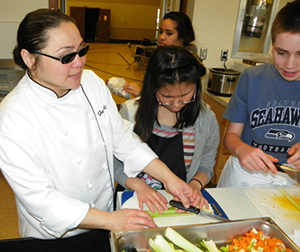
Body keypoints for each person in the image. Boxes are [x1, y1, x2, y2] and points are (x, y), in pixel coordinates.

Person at [0, 9, 197, 242]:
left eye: (82, 50)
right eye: (66, 57)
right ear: (29, 58)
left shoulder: (91, 82)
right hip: (55, 234)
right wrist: (110, 220)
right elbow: (40, 200)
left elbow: (121, 137)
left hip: (105, 214)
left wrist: (169, 178)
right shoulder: (13, 117)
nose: (79, 63)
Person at [114, 46, 219, 212]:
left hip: (179, 202)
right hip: (134, 197)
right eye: (167, 97)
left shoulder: (205, 119)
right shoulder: (130, 113)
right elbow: (113, 163)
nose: (176, 104)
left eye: (185, 95)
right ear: (152, 88)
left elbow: (206, 164)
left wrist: (194, 186)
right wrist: (139, 186)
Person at [217, 0, 300, 188]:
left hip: (293, 180)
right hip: (246, 174)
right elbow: (230, 137)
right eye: (282, 53)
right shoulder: (252, 78)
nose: (290, 64)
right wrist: (241, 149)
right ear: (272, 46)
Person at [123, 11, 199, 97]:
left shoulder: (188, 65)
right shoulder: (161, 56)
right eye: (161, 32)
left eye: (169, 33)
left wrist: (142, 94)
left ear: (182, 38)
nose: (162, 37)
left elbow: (173, 100)